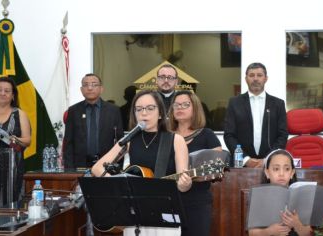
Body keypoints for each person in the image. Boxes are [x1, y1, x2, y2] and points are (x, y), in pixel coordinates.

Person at [92, 90, 192, 236]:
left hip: (164, 215)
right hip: (135, 214)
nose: (144, 113)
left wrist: (185, 184)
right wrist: (120, 184)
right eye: (139, 109)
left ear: (160, 113)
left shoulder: (175, 140)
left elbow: (182, 184)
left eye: (150, 108)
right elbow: (97, 168)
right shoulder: (130, 140)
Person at [169, 90, 222, 236]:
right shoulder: (164, 136)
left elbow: (218, 167)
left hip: (197, 202)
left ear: (195, 108)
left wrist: (195, 177)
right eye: (176, 105)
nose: (179, 108)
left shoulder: (207, 135)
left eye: (185, 104)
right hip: (167, 201)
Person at [223, 62, 288, 167]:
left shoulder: (278, 104)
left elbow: (282, 135)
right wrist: (245, 159)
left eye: (259, 75)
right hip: (241, 165)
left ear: (266, 78)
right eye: (251, 75)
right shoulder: (234, 103)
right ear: (246, 79)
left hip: (271, 164)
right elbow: (229, 135)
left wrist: (267, 160)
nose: (255, 79)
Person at [63, 73, 124, 169]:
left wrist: (117, 166)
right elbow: (68, 143)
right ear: (81, 90)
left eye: (94, 84)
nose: (90, 88)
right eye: (86, 85)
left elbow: (120, 141)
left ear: (101, 89)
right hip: (79, 165)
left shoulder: (113, 110)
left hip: (106, 164)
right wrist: (69, 169)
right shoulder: (73, 111)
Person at [249, 149, 312, 236]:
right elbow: (252, 233)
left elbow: (307, 233)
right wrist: (269, 231)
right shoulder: (259, 197)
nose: (281, 173)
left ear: (292, 173)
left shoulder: (300, 197)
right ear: (267, 173)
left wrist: (297, 225)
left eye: (286, 169)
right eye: (276, 169)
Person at [0, 77, 31, 206]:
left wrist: (14, 139)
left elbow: (27, 140)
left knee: (10, 205)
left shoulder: (19, 114)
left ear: (13, 95)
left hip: (12, 168)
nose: (2, 93)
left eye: (7, 91)